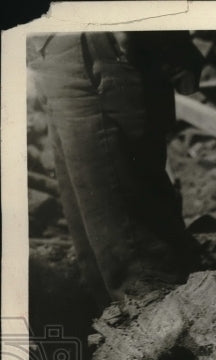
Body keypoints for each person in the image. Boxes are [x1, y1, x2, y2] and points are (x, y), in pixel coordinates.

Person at [28, 31, 205, 309]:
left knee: (115, 250)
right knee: (136, 259)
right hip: (89, 52)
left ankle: (141, 323)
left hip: (66, 51)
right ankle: (152, 324)